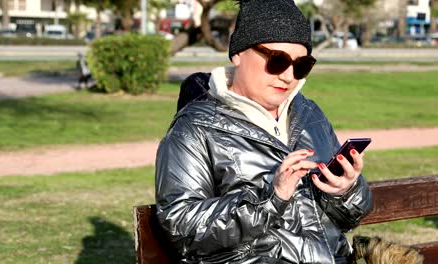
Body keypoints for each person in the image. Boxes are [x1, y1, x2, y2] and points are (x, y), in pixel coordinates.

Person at [155, 0, 373, 263]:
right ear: (238, 53)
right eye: (277, 60)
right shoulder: (194, 128)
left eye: (301, 65)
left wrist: (345, 190)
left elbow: (349, 219)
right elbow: (183, 229)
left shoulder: (310, 114)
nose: (289, 76)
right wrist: (270, 199)